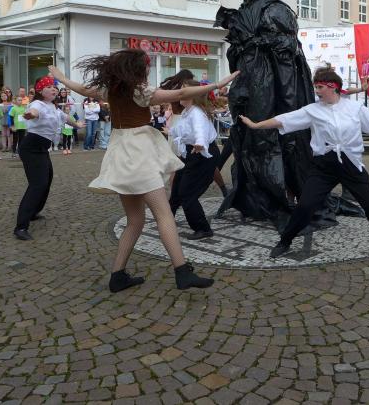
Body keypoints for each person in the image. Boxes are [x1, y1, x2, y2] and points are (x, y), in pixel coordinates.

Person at [47, 53, 238, 292]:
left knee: (135, 221)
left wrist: (62, 77)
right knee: (164, 215)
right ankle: (182, 272)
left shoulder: (110, 90)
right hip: (139, 153)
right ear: (138, 69)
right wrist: (218, 84)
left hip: (120, 154)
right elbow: (181, 93)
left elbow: (83, 89)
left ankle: (118, 275)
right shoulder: (140, 91)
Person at [239, 67, 369, 264]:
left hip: (351, 164)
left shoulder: (355, 108)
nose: (317, 91)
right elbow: (284, 119)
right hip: (324, 166)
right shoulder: (313, 110)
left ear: (333, 87)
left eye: (320, 87)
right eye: (316, 87)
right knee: (305, 205)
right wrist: (256, 125)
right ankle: (285, 241)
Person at [14, 76, 84, 241]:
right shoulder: (38, 104)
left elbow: (65, 118)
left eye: (54, 87)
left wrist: (77, 125)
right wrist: (30, 115)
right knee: (37, 185)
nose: (54, 89)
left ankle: (33, 212)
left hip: (42, 149)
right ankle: (21, 226)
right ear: (40, 90)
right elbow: (34, 112)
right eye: (49, 86)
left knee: (47, 180)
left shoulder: (53, 107)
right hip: (31, 148)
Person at [169, 80, 220, 240]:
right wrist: (170, 131)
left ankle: (203, 228)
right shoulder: (187, 112)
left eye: (184, 91)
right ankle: (167, 218)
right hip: (191, 153)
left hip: (202, 154)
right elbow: (182, 130)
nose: (180, 94)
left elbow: (199, 131)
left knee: (187, 193)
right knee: (177, 187)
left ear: (193, 95)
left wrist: (200, 143)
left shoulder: (196, 112)